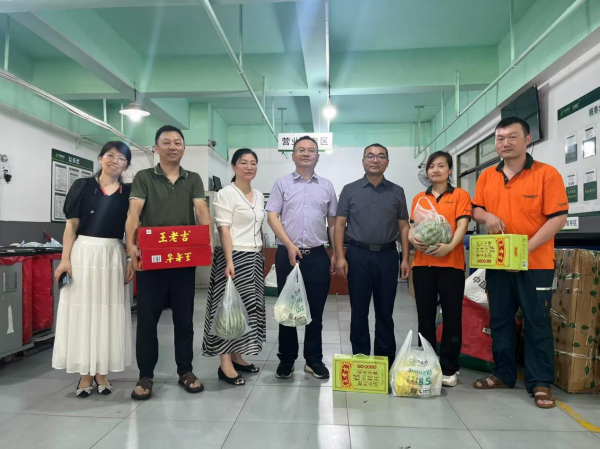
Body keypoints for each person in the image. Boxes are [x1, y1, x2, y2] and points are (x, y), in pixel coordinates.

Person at [471, 117, 568, 409]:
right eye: (500, 138)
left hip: (535, 263)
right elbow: (476, 209)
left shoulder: (546, 174)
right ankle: (503, 373)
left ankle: (540, 382)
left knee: (536, 321)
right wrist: (487, 216)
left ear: (527, 140)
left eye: (512, 137)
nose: (505, 143)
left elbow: (558, 218)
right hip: (499, 263)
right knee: (500, 319)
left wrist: (525, 249)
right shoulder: (487, 176)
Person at [126, 125, 213, 400]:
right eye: (166, 142)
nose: (172, 147)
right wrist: (131, 247)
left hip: (183, 260)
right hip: (151, 260)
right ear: (156, 148)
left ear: (184, 148)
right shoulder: (144, 177)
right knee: (147, 320)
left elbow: (202, 211)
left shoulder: (193, 178)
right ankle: (145, 375)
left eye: (177, 142)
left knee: (184, 319)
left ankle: (185, 371)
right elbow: (134, 213)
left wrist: (206, 241)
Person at [52, 141, 134, 398]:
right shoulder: (83, 186)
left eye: (121, 158)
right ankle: (85, 373)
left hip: (113, 254)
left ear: (126, 165)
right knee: (84, 311)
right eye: (110, 155)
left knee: (108, 311)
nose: (114, 160)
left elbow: (132, 229)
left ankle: (102, 372)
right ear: (100, 158)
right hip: (83, 253)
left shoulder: (129, 193)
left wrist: (130, 259)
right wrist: (65, 259)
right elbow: (71, 226)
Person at [266, 136, 337, 379]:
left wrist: (336, 252)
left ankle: (313, 360)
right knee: (287, 309)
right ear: (293, 155)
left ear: (317, 156)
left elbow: (333, 222)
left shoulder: (326, 186)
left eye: (311, 150)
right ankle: (286, 359)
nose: (306, 153)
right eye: (301, 150)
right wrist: (288, 244)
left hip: (317, 255)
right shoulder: (282, 184)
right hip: (287, 255)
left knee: (315, 311)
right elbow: (272, 216)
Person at [335, 143, 410, 365]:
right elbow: (339, 225)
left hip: (388, 256)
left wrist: (405, 258)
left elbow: (404, 226)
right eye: (370, 156)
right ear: (363, 161)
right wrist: (340, 256)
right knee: (358, 311)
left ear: (387, 162)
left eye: (381, 156)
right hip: (357, 255)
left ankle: (384, 361)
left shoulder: (397, 191)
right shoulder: (350, 189)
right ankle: (360, 360)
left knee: (385, 311)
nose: (375, 159)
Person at [202, 148, 265, 386]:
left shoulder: (258, 195)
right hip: (234, 257)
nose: (249, 167)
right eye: (243, 162)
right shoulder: (226, 194)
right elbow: (224, 229)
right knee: (227, 310)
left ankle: (238, 356)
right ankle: (225, 363)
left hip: (254, 258)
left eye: (253, 163)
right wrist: (229, 261)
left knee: (246, 309)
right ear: (234, 166)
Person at [408, 151, 471, 387]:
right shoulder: (419, 198)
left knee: (452, 317)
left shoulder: (460, 195)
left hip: (451, 265)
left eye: (441, 166)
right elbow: (413, 226)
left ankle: (449, 368)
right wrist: (412, 238)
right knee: (424, 317)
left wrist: (449, 247)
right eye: (431, 166)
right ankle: (427, 362)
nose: (435, 170)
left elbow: (462, 224)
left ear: (450, 170)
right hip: (423, 265)